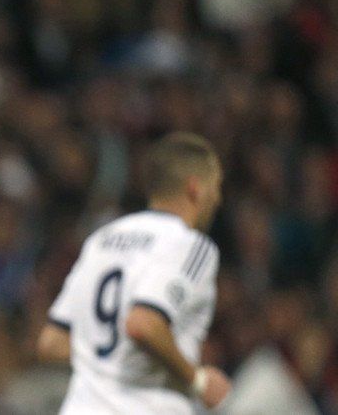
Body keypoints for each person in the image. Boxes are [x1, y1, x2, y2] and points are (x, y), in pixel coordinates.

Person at [36, 132, 232, 413]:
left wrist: (106, 362)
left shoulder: (102, 239)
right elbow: (142, 324)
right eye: (215, 187)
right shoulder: (190, 246)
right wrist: (198, 380)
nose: (218, 199)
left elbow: (51, 342)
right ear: (195, 188)